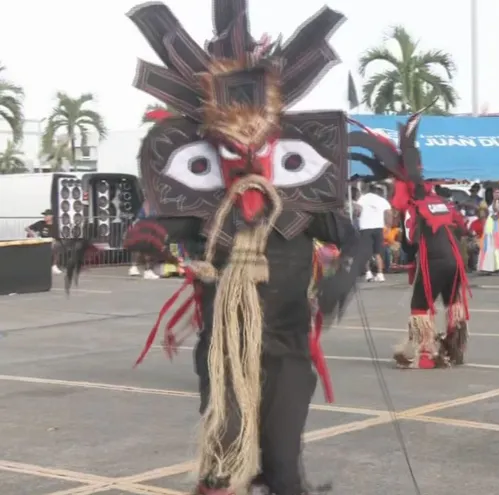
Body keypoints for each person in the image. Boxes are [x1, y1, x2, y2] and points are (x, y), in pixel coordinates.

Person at [112, 4, 365, 494]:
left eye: (257, 142)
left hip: (287, 356)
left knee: (283, 469)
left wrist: (342, 279)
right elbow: (161, 231)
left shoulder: (302, 199)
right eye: (231, 145)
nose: (247, 153)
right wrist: (148, 240)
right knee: (224, 469)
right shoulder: (202, 204)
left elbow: (357, 238)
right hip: (223, 357)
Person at [351, 112, 471, 369]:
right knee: (453, 304)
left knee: (420, 307)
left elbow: (410, 242)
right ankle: (455, 350)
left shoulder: (412, 208)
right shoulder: (438, 200)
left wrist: (408, 247)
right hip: (455, 260)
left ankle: (426, 355)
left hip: (435, 263)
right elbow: (461, 227)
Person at [357, 184, 392, 282]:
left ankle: (368, 274)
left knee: (365, 252)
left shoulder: (362, 199)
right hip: (378, 228)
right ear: (376, 190)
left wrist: (359, 217)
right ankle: (380, 274)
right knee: (378, 252)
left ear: (368, 190)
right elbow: (389, 213)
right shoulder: (382, 200)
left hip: (365, 227)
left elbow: (357, 210)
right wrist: (388, 226)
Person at [27, 209, 62, 275]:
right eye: (44, 215)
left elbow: (56, 238)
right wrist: (32, 233)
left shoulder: (55, 227)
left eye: (46, 215)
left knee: (57, 244)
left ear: (51, 216)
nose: (45, 216)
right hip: (38, 243)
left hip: (49, 244)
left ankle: (54, 266)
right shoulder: (40, 223)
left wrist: (53, 241)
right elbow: (27, 228)